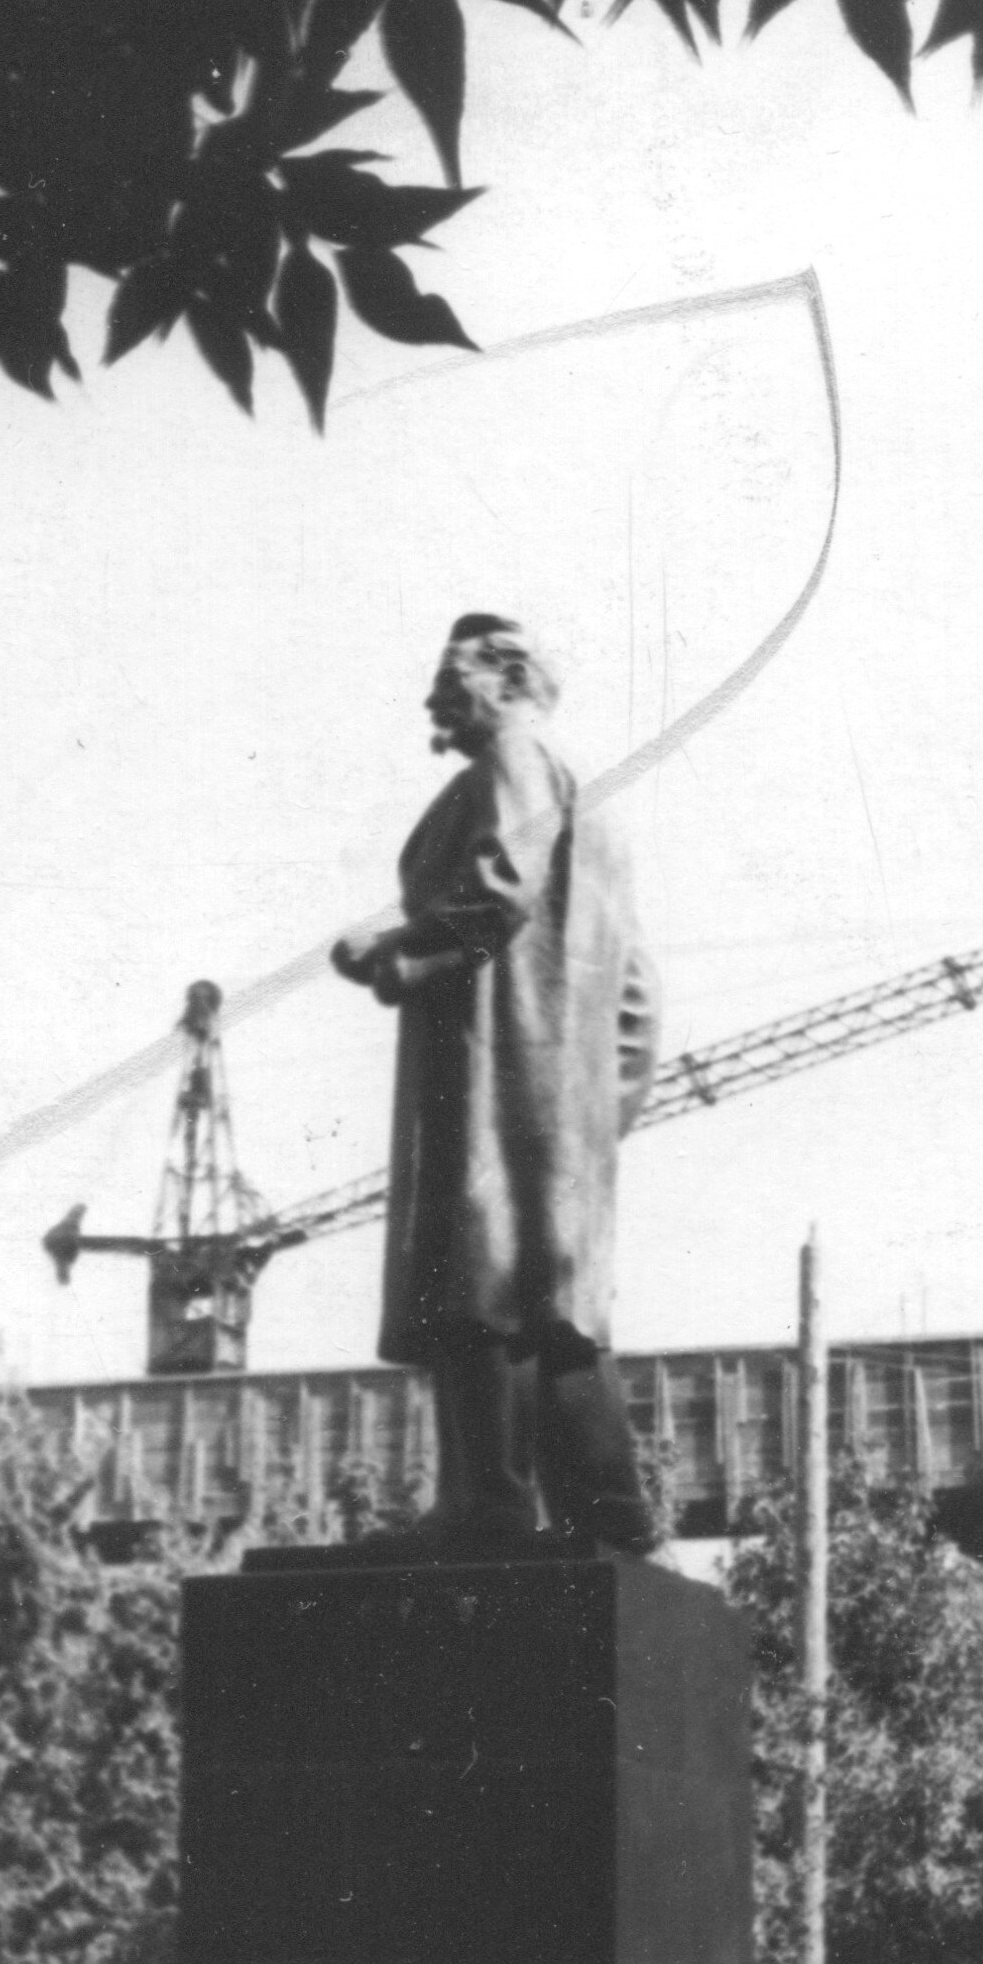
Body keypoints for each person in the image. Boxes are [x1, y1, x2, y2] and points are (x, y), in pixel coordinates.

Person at [332, 612, 661, 1551]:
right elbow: (638, 992)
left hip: (487, 1083)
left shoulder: (511, 764)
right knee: (555, 1314)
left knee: (473, 1283)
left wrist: (395, 951)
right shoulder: (594, 808)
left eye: (452, 680)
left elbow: (501, 886)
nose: (434, 699)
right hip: (555, 1110)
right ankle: (610, 1519)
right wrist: (596, 1115)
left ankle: (487, 1506)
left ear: (510, 682)